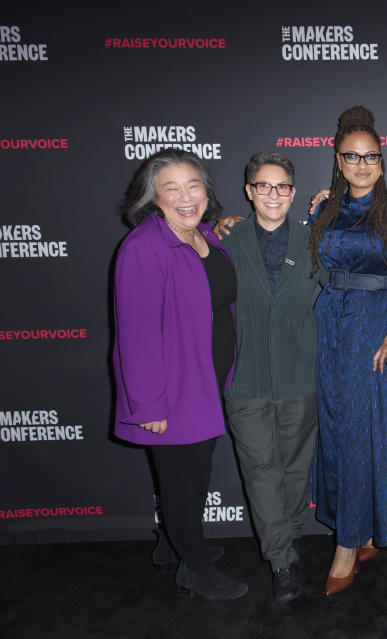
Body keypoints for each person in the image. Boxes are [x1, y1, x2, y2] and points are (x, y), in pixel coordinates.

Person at [112, 148, 246, 600]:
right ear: (153, 197)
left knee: (193, 473)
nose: (186, 196)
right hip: (174, 389)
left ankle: (171, 546)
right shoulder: (144, 247)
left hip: (207, 381)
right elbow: (137, 335)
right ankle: (196, 568)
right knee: (183, 480)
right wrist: (149, 404)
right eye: (172, 188)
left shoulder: (205, 234)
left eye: (194, 185)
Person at [310, 106, 387, 595]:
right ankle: (361, 527)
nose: (362, 165)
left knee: (366, 433)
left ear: (382, 161)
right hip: (330, 328)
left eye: (371, 157)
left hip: (377, 329)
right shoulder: (324, 209)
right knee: (340, 434)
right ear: (338, 161)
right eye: (352, 157)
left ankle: (349, 543)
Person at [217, 152, 324, 603]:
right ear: (249, 191)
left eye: (282, 186)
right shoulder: (224, 239)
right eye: (264, 185)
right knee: (262, 471)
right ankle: (282, 562)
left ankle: (287, 538)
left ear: (294, 193)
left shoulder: (314, 239)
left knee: (296, 471)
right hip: (246, 380)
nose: (273, 194)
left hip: (300, 376)